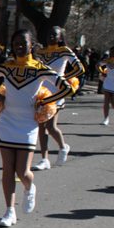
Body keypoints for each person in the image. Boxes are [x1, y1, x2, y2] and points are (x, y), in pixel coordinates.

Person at [0, 29, 72, 227]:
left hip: (28, 123)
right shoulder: (7, 66)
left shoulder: (40, 68)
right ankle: (9, 211)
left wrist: (45, 102)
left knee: (22, 171)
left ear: (32, 45)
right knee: (7, 169)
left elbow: (66, 88)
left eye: (23, 43)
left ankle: (29, 188)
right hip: (6, 121)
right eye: (15, 43)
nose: (19, 46)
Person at [32, 27, 84, 170]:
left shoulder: (65, 51)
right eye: (49, 34)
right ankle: (44, 159)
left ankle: (63, 146)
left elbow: (80, 69)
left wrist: (63, 79)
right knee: (41, 126)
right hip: (42, 92)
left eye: (54, 34)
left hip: (58, 93)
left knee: (50, 126)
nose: (51, 36)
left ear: (60, 37)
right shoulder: (41, 52)